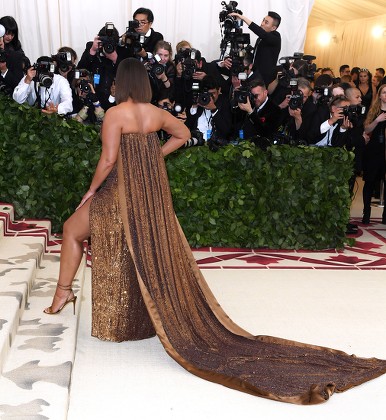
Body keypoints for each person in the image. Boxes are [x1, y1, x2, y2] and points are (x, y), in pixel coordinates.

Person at [41, 57, 386, 405]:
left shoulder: (116, 114)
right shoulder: (155, 113)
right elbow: (185, 134)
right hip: (148, 192)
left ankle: (63, 293)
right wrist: (154, 156)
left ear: (121, 82)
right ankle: (92, 303)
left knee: (72, 229)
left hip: (120, 190)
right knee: (142, 245)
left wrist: (90, 191)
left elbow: (109, 160)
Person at [229, 11, 281, 86]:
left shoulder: (276, 37)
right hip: (255, 74)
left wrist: (243, 18)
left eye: (266, 22)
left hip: (265, 79)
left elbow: (261, 33)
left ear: (273, 28)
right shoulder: (260, 39)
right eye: (263, 20)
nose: (262, 23)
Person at [362, 84, 386, 224]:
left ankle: (385, 216)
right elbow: (366, 128)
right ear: (380, 95)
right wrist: (377, 120)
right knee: (369, 182)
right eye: (384, 92)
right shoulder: (374, 111)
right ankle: (366, 213)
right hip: (373, 150)